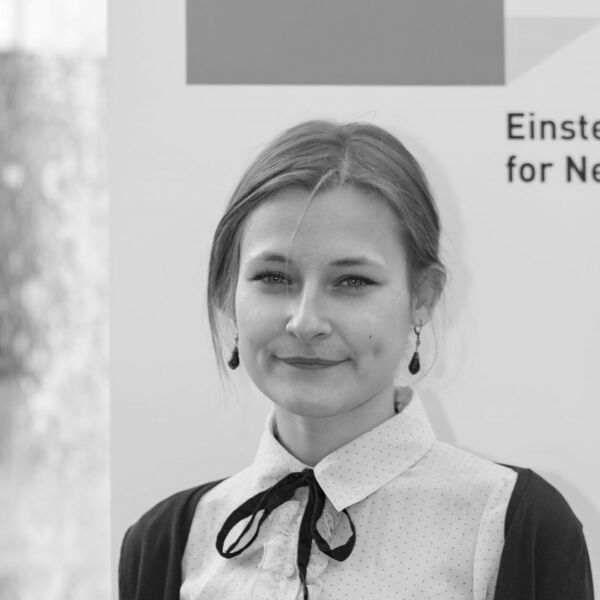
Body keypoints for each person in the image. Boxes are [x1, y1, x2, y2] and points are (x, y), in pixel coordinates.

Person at [119, 121, 594, 600]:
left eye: (353, 281)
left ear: (423, 297)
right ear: (227, 293)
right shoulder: (168, 543)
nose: (306, 322)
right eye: (273, 277)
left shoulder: (511, 525)